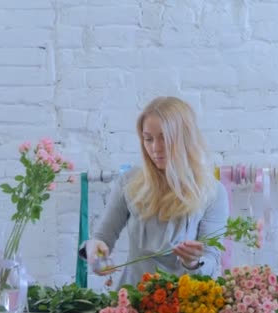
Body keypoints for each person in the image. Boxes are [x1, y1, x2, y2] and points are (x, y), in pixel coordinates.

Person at [82, 96, 229, 287]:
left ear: (185, 139)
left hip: (184, 307)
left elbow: (211, 262)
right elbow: (101, 239)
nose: (155, 148)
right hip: (133, 304)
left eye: (165, 139)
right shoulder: (128, 183)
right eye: (148, 139)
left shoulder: (213, 192)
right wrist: (97, 256)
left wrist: (192, 263)